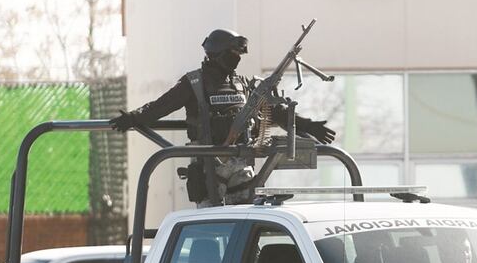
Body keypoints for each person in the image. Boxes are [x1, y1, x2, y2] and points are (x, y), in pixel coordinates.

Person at [109, 29, 335, 205]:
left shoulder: (242, 84)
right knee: (209, 226)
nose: (237, 58)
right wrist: (132, 118)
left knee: (246, 222)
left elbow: (273, 111)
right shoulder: (194, 83)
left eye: (239, 54)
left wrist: (308, 126)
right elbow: (161, 107)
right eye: (232, 53)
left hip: (241, 163)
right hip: (208, 164)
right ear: (216, 53)